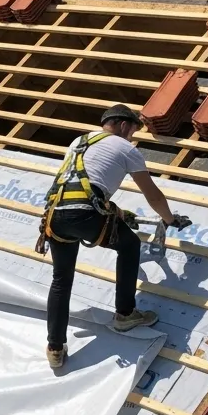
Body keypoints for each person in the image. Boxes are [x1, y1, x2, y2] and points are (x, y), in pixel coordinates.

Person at [38, 104, 192, 370]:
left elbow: (83, 186)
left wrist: (118, 213)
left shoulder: (79, 141)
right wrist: (169, 219)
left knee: (61, 280)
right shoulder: (126, 149)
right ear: (123, 125)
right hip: (84, 214)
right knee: (130, 244)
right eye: (132, 131)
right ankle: (125, 314)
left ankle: (55, 347)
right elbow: (153, 195)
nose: (132, 137)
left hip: (55, 216)